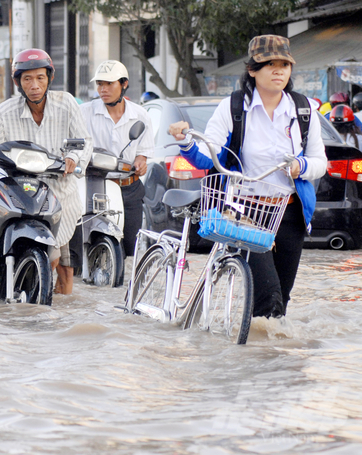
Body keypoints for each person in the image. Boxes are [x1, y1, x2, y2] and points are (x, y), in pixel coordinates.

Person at [168, 35, 327, 319]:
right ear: (252, 70)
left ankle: (263, 356)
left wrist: (300, 167)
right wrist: (186, 142)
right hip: (245, 213)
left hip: (289, 212)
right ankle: (256, 351)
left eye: (284, 64)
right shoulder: (233, 108)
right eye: (269, 64)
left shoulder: (303, 110)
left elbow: (320, 162)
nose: (278, 70)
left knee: (281, 300)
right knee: (269, 294)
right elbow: (210, 153)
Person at [0, 48, 92, 295]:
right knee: (38, 256)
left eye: (40, 78)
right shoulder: (6, 111)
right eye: (27, 79)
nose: (34, 85)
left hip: (63, 196)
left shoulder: (67, 104)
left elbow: (84, 140)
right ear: (18, 82)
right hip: (23, 194)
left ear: (50, 78)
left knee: (65, 267)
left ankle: (58, 319)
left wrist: (73, 156)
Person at [80, 60, 155, 257]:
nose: (103, 89)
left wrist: (141, 162)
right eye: (99, 84)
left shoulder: (141, 115)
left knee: (130, 246)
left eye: (109, 84)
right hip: (95, 186)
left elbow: (143, 152)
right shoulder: (84, 112)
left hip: (129, 187)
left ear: (124, 84)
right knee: (87, 242)